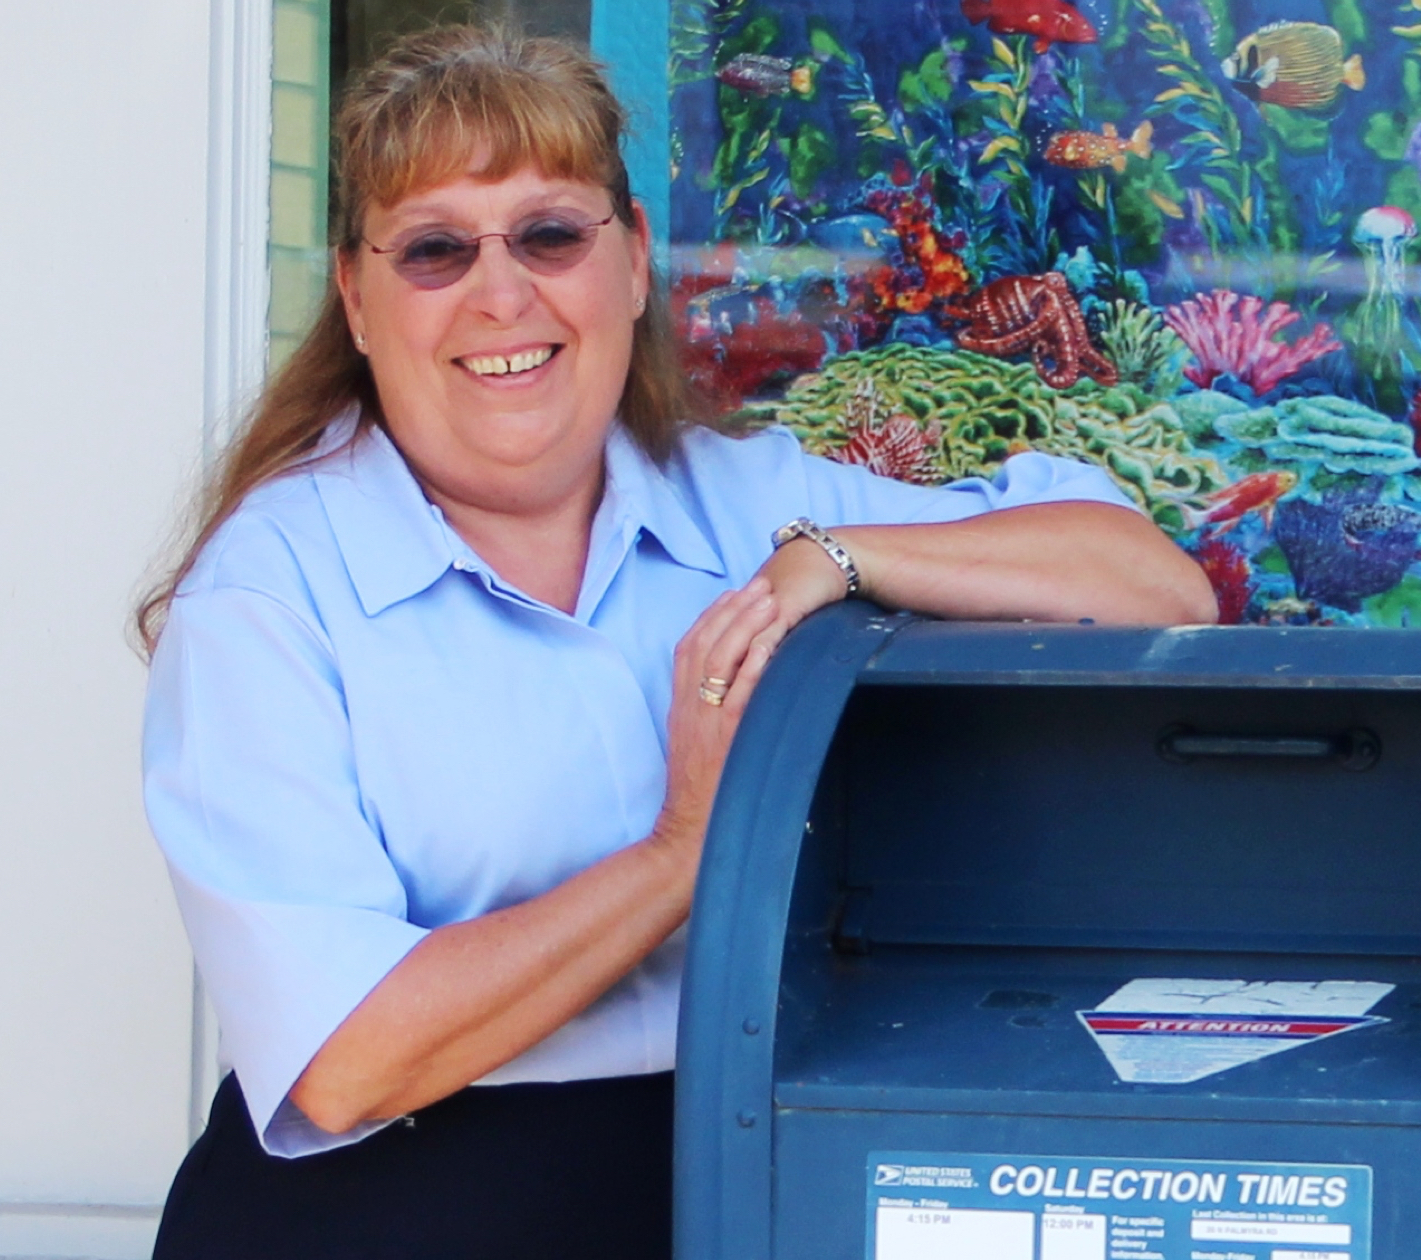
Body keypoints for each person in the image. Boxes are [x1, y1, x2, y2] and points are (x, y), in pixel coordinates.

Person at [138, 25, 1213, 1259]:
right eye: (436, 248)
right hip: (384, 1219)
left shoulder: (744, 504)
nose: (503, 295)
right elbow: (342, 1061)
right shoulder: (269, 593)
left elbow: (1154, 583)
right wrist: (685, 852)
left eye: (549, 234)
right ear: (358, 300)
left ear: (635, 261)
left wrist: (840, 560)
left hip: (727, 1184)